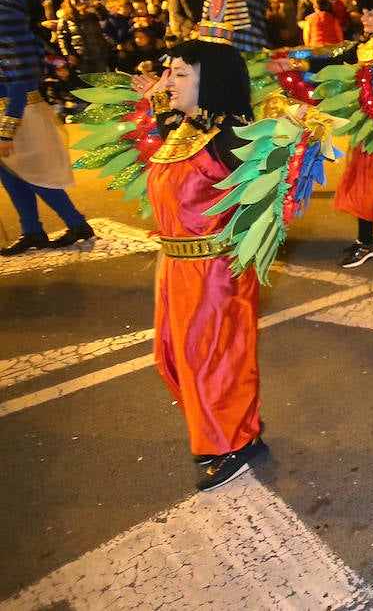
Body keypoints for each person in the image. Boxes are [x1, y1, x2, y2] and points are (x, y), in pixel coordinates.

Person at [137, 37, 267, 490]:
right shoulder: (185, 128)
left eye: (180, 73)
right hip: (175, 267)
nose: (169, 81)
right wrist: (155, 96)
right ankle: (226, 429)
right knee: (173, 358)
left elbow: (269, 198)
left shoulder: (230, 137)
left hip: (215, 274)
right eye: (169, 71)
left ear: (209, 81)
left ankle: (235, 441)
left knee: (215, 362)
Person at [268, 0, 373, 267]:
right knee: (362, 176)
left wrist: (360, 80)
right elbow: (329, 62)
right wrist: (292, 63)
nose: (365, 19)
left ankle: (366, 242)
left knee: (364, 181)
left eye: (372, 14)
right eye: (364, 13)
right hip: (363, 126)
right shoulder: (362, 47)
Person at [0, 0, 94, 254]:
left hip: (21, 118)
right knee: (13, 177)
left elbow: (17, 90)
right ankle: (32, 230)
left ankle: (76, 224)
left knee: (34, 175)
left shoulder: (11, 42)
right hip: (17, 115)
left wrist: (6, 133)